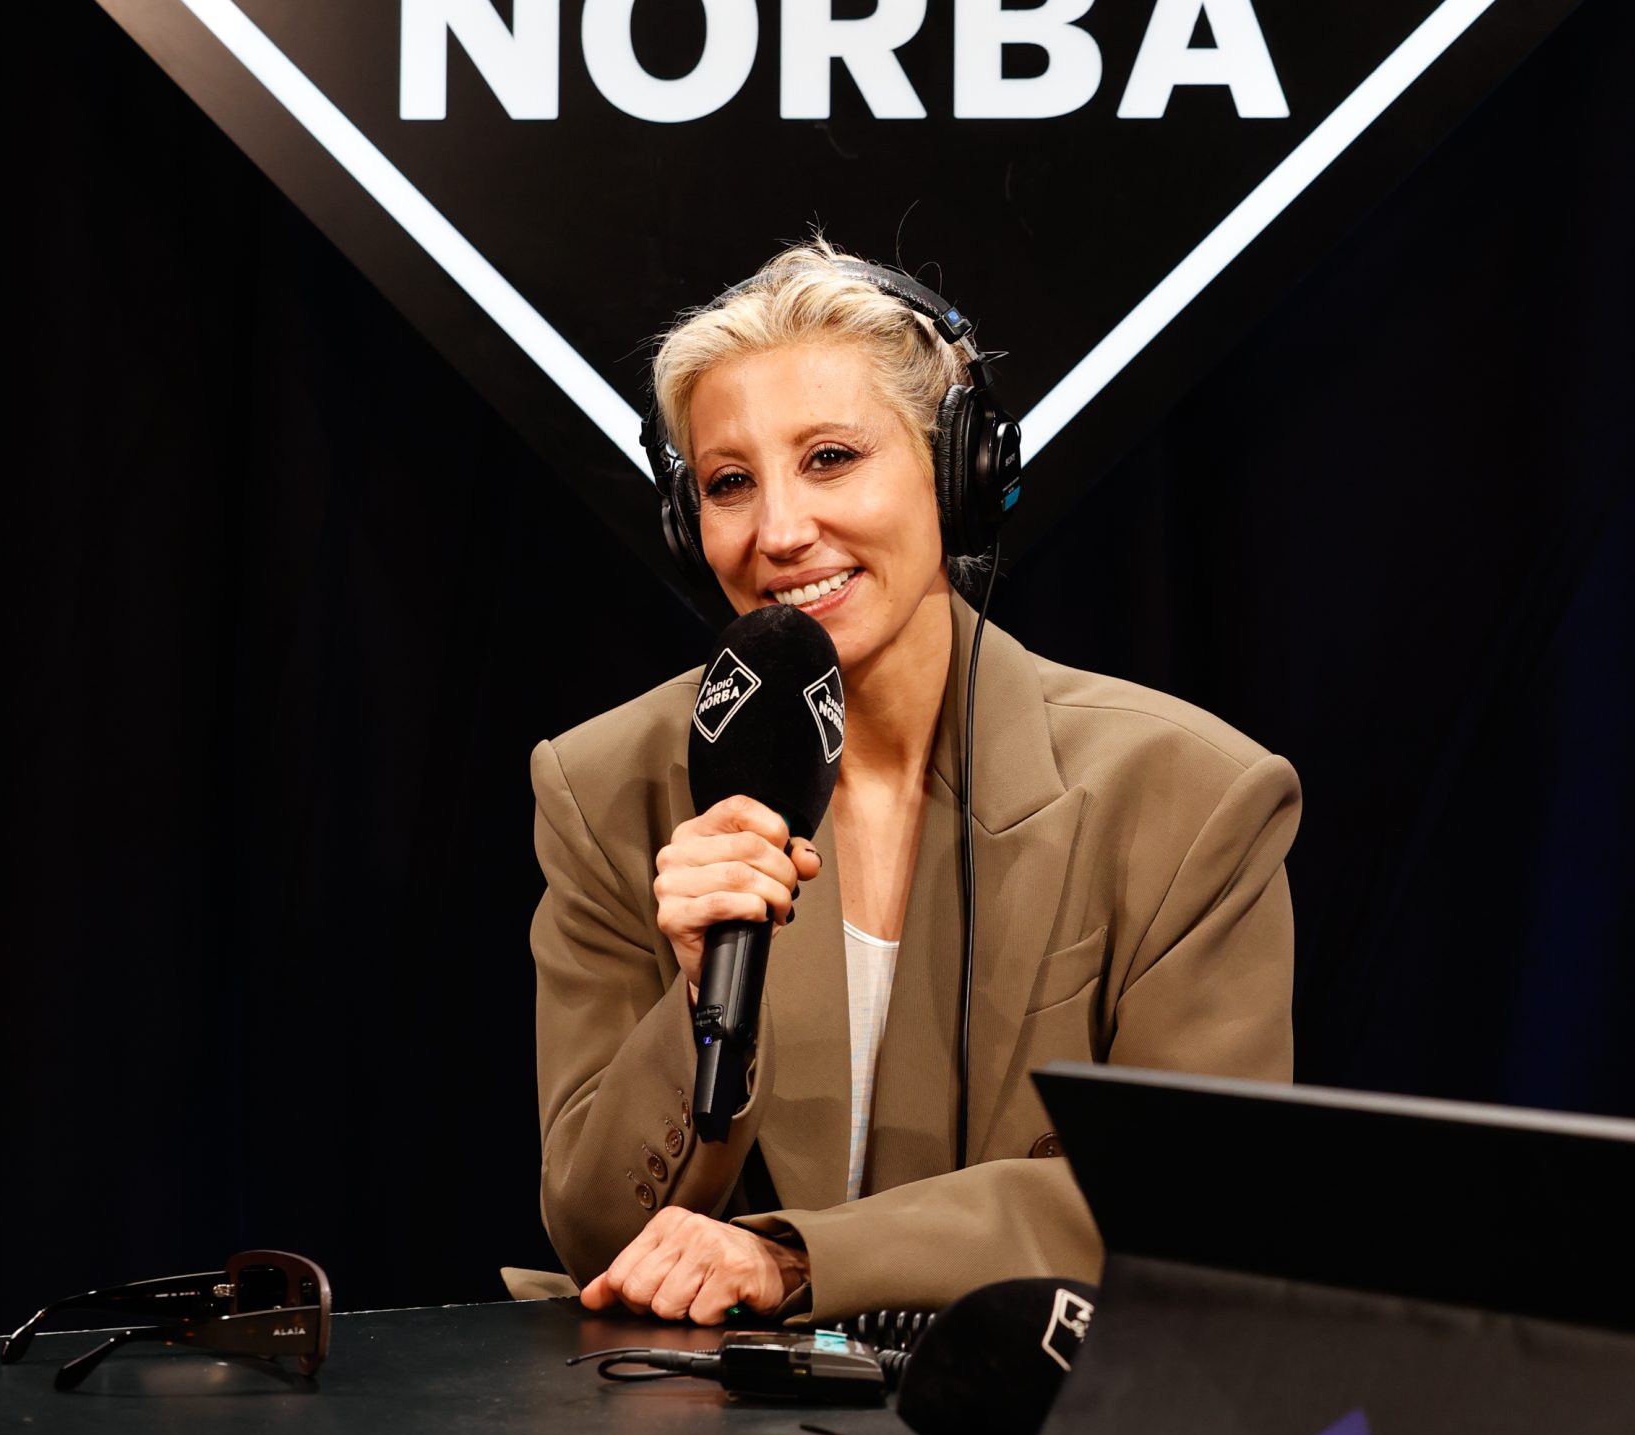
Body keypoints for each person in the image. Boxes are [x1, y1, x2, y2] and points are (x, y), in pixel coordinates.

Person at [526, 242, 1299, 1326]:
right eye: (729, 483)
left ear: (958, 475)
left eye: (831, 458)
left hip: (1036, 1398)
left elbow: (1195, 1200)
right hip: (693, 1408)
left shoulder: (1189, 795)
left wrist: (800, 1260)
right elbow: (597, 1238)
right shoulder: (604, 783)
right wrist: (697, 996)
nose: (780, 532)